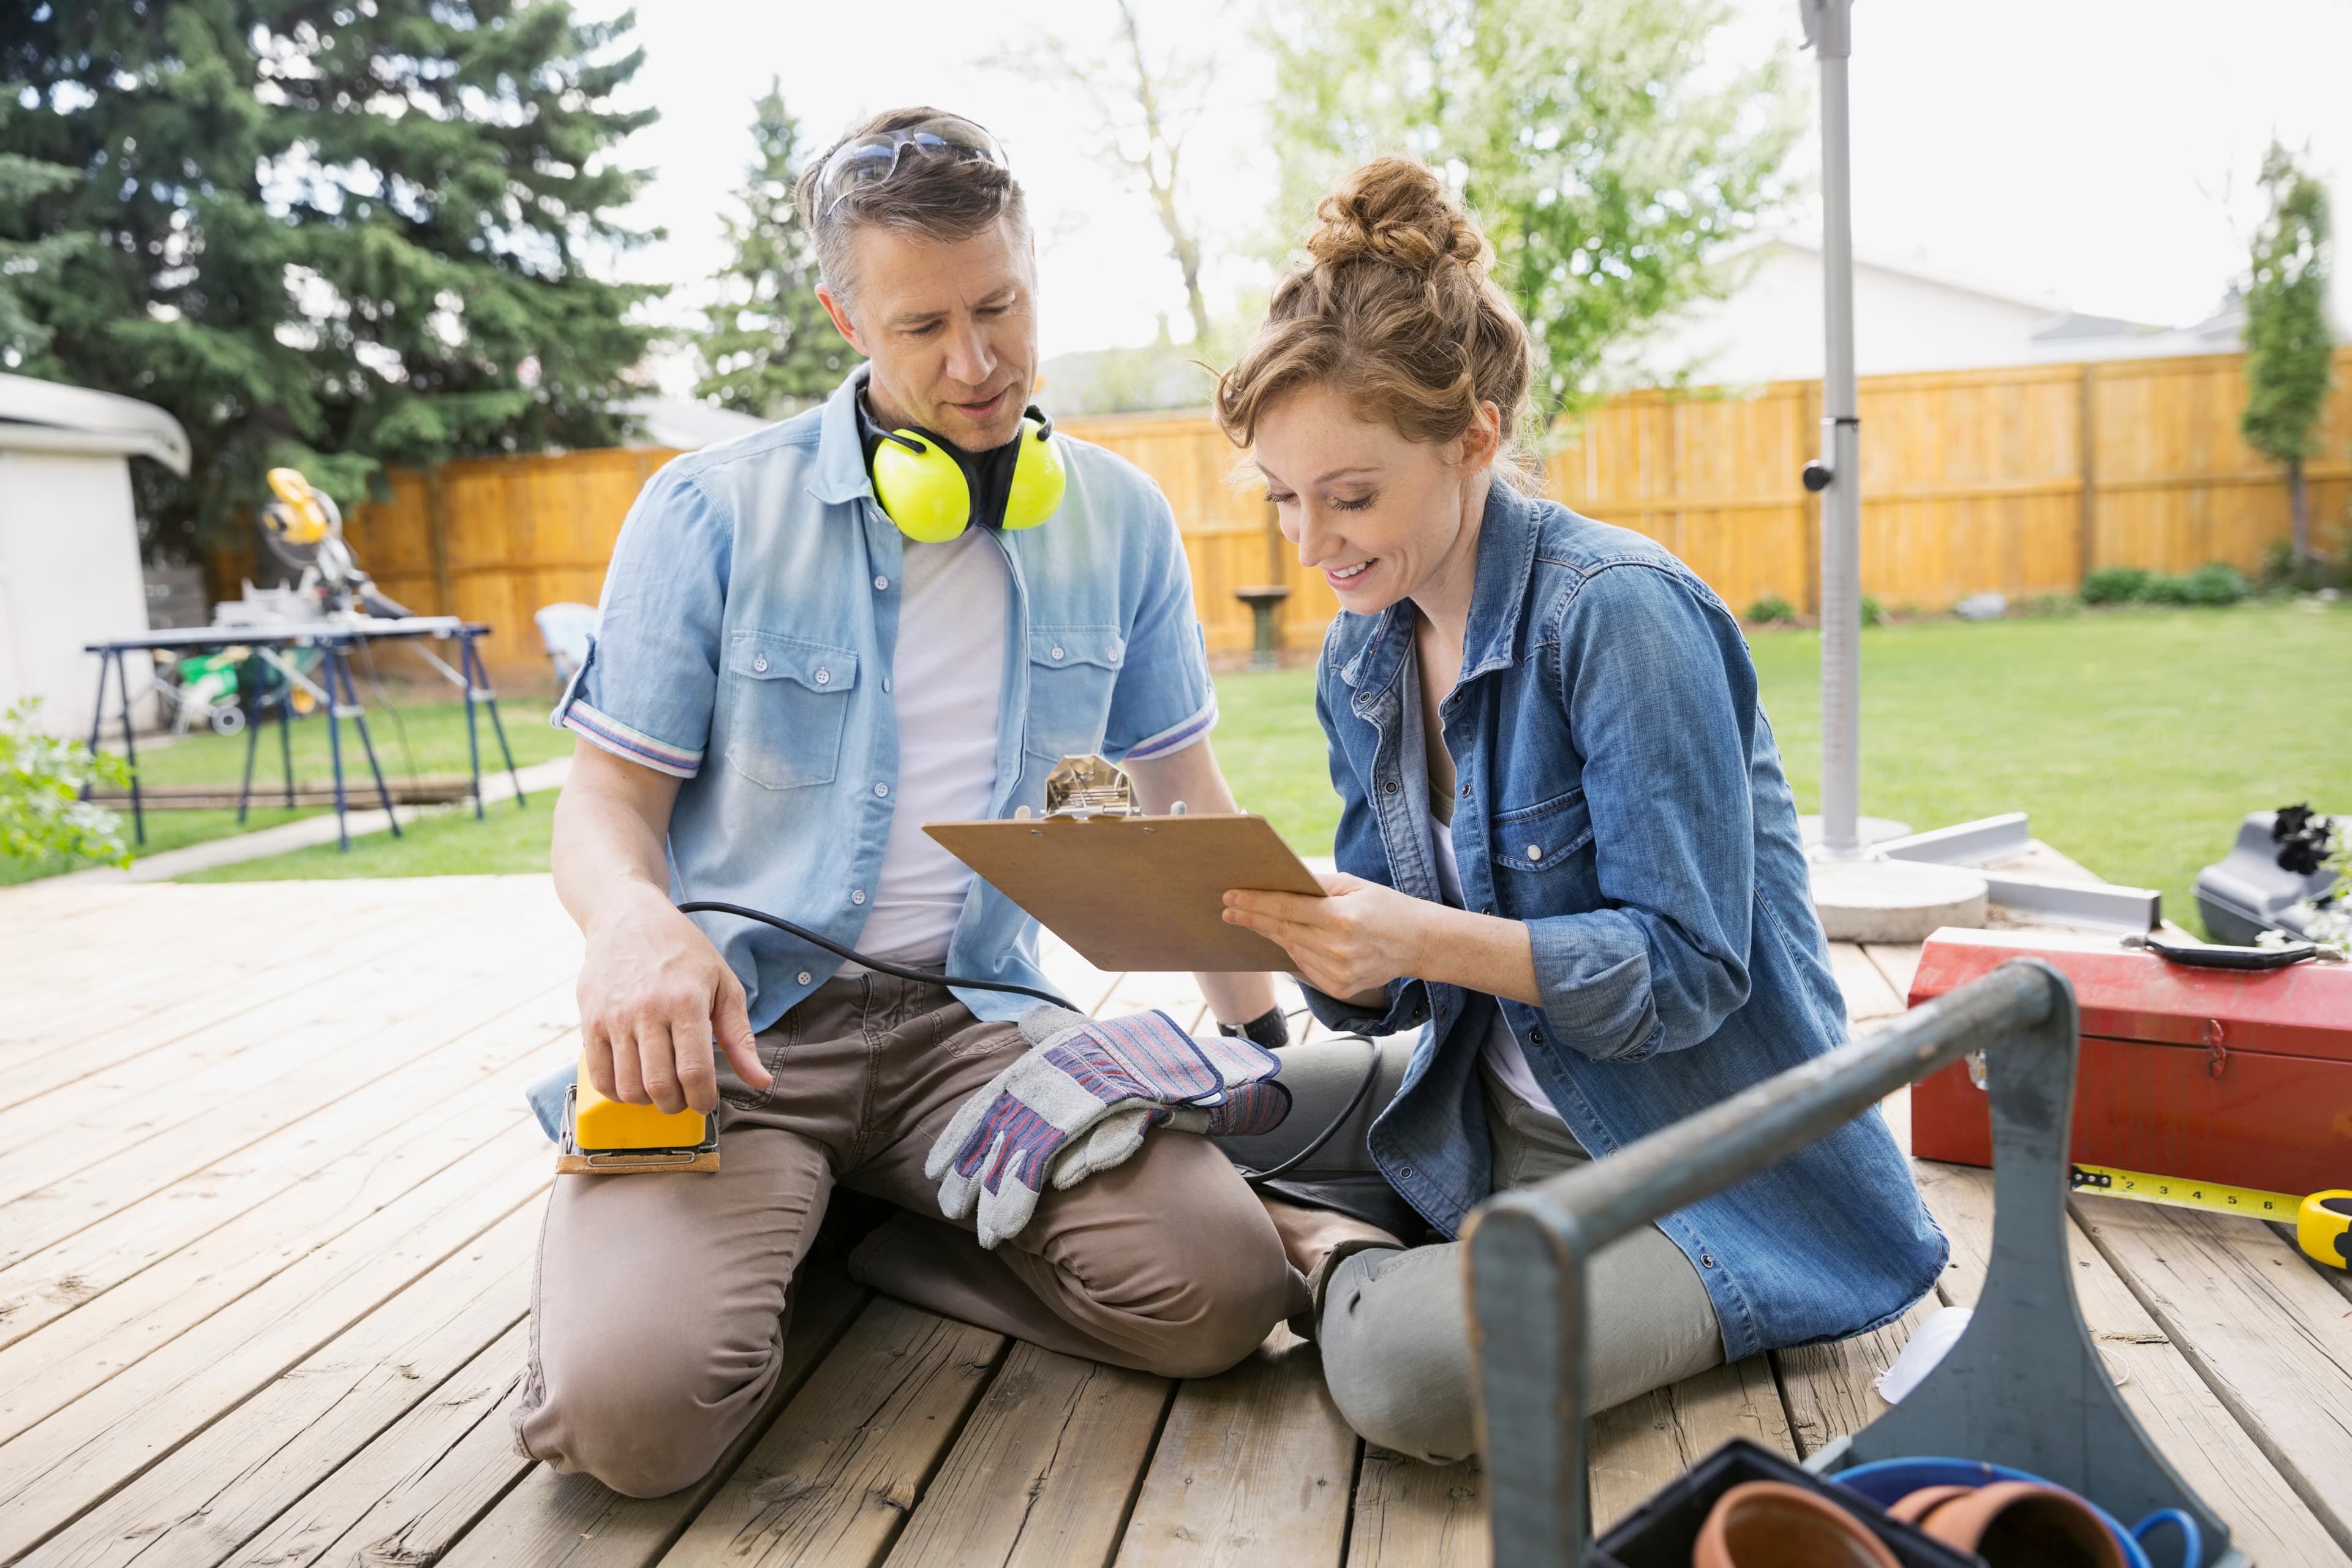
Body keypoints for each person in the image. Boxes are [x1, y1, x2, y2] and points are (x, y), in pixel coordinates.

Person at [514, 107, 1306, 1498]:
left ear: (1031, 274)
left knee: (1226, 1290)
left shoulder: (1118, 519)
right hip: (742, 1038)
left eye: (1000, 305)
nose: (978, 360)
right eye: (923, 325)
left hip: (978, 1030)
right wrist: (632, 922)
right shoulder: (706, 512)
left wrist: (1274, 1050)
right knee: (629, 1422)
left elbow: (1184, 803)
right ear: (842, 316)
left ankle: (880, 1236)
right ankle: (747, 1222)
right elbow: (604, 803)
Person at [1215, 157, 1947, 1466]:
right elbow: (1385, 1000)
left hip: (1696, 1161)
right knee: (1176, 1110)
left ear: (1474, 438)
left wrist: (1419, 940)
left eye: (1352, 494)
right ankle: (1364, 1233)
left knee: (1414, 1373)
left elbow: (1692, 970)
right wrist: (1312, 935)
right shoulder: (1363, 654)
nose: (1312, 541)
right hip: (1479, 1103)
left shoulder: (1617, 612)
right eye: (1283, 496)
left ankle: (1325, 1252)